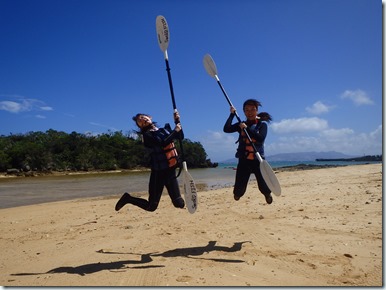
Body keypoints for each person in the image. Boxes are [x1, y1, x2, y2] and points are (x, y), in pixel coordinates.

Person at [115, 111, 185, 212]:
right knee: (151, 207)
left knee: (179, 204)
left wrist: (177, 121)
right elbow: (163, 143)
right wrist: (175, 131)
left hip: (170, 171)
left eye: (143, 117)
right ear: (140, 126)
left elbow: (180, 137)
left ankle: (128, 198)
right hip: (158, 173)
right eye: (140, 121)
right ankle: (127, 198)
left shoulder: (164, 130)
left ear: (149, 117)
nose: (142, 120)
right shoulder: (147, 136)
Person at [223, 99, 273, 204]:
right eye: (246, 110)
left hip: (258, 161)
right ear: (243, 112)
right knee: (238, 192)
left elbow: (260, 138)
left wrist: (247, 129)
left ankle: (267, 194)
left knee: (264, 186)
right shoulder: (241, 124)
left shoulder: (262, 125)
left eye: (252, 109)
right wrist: (232, 115)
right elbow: (226, 129)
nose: (249, 112)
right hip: (244, 161)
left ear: (257, 111)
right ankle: (238, 194)